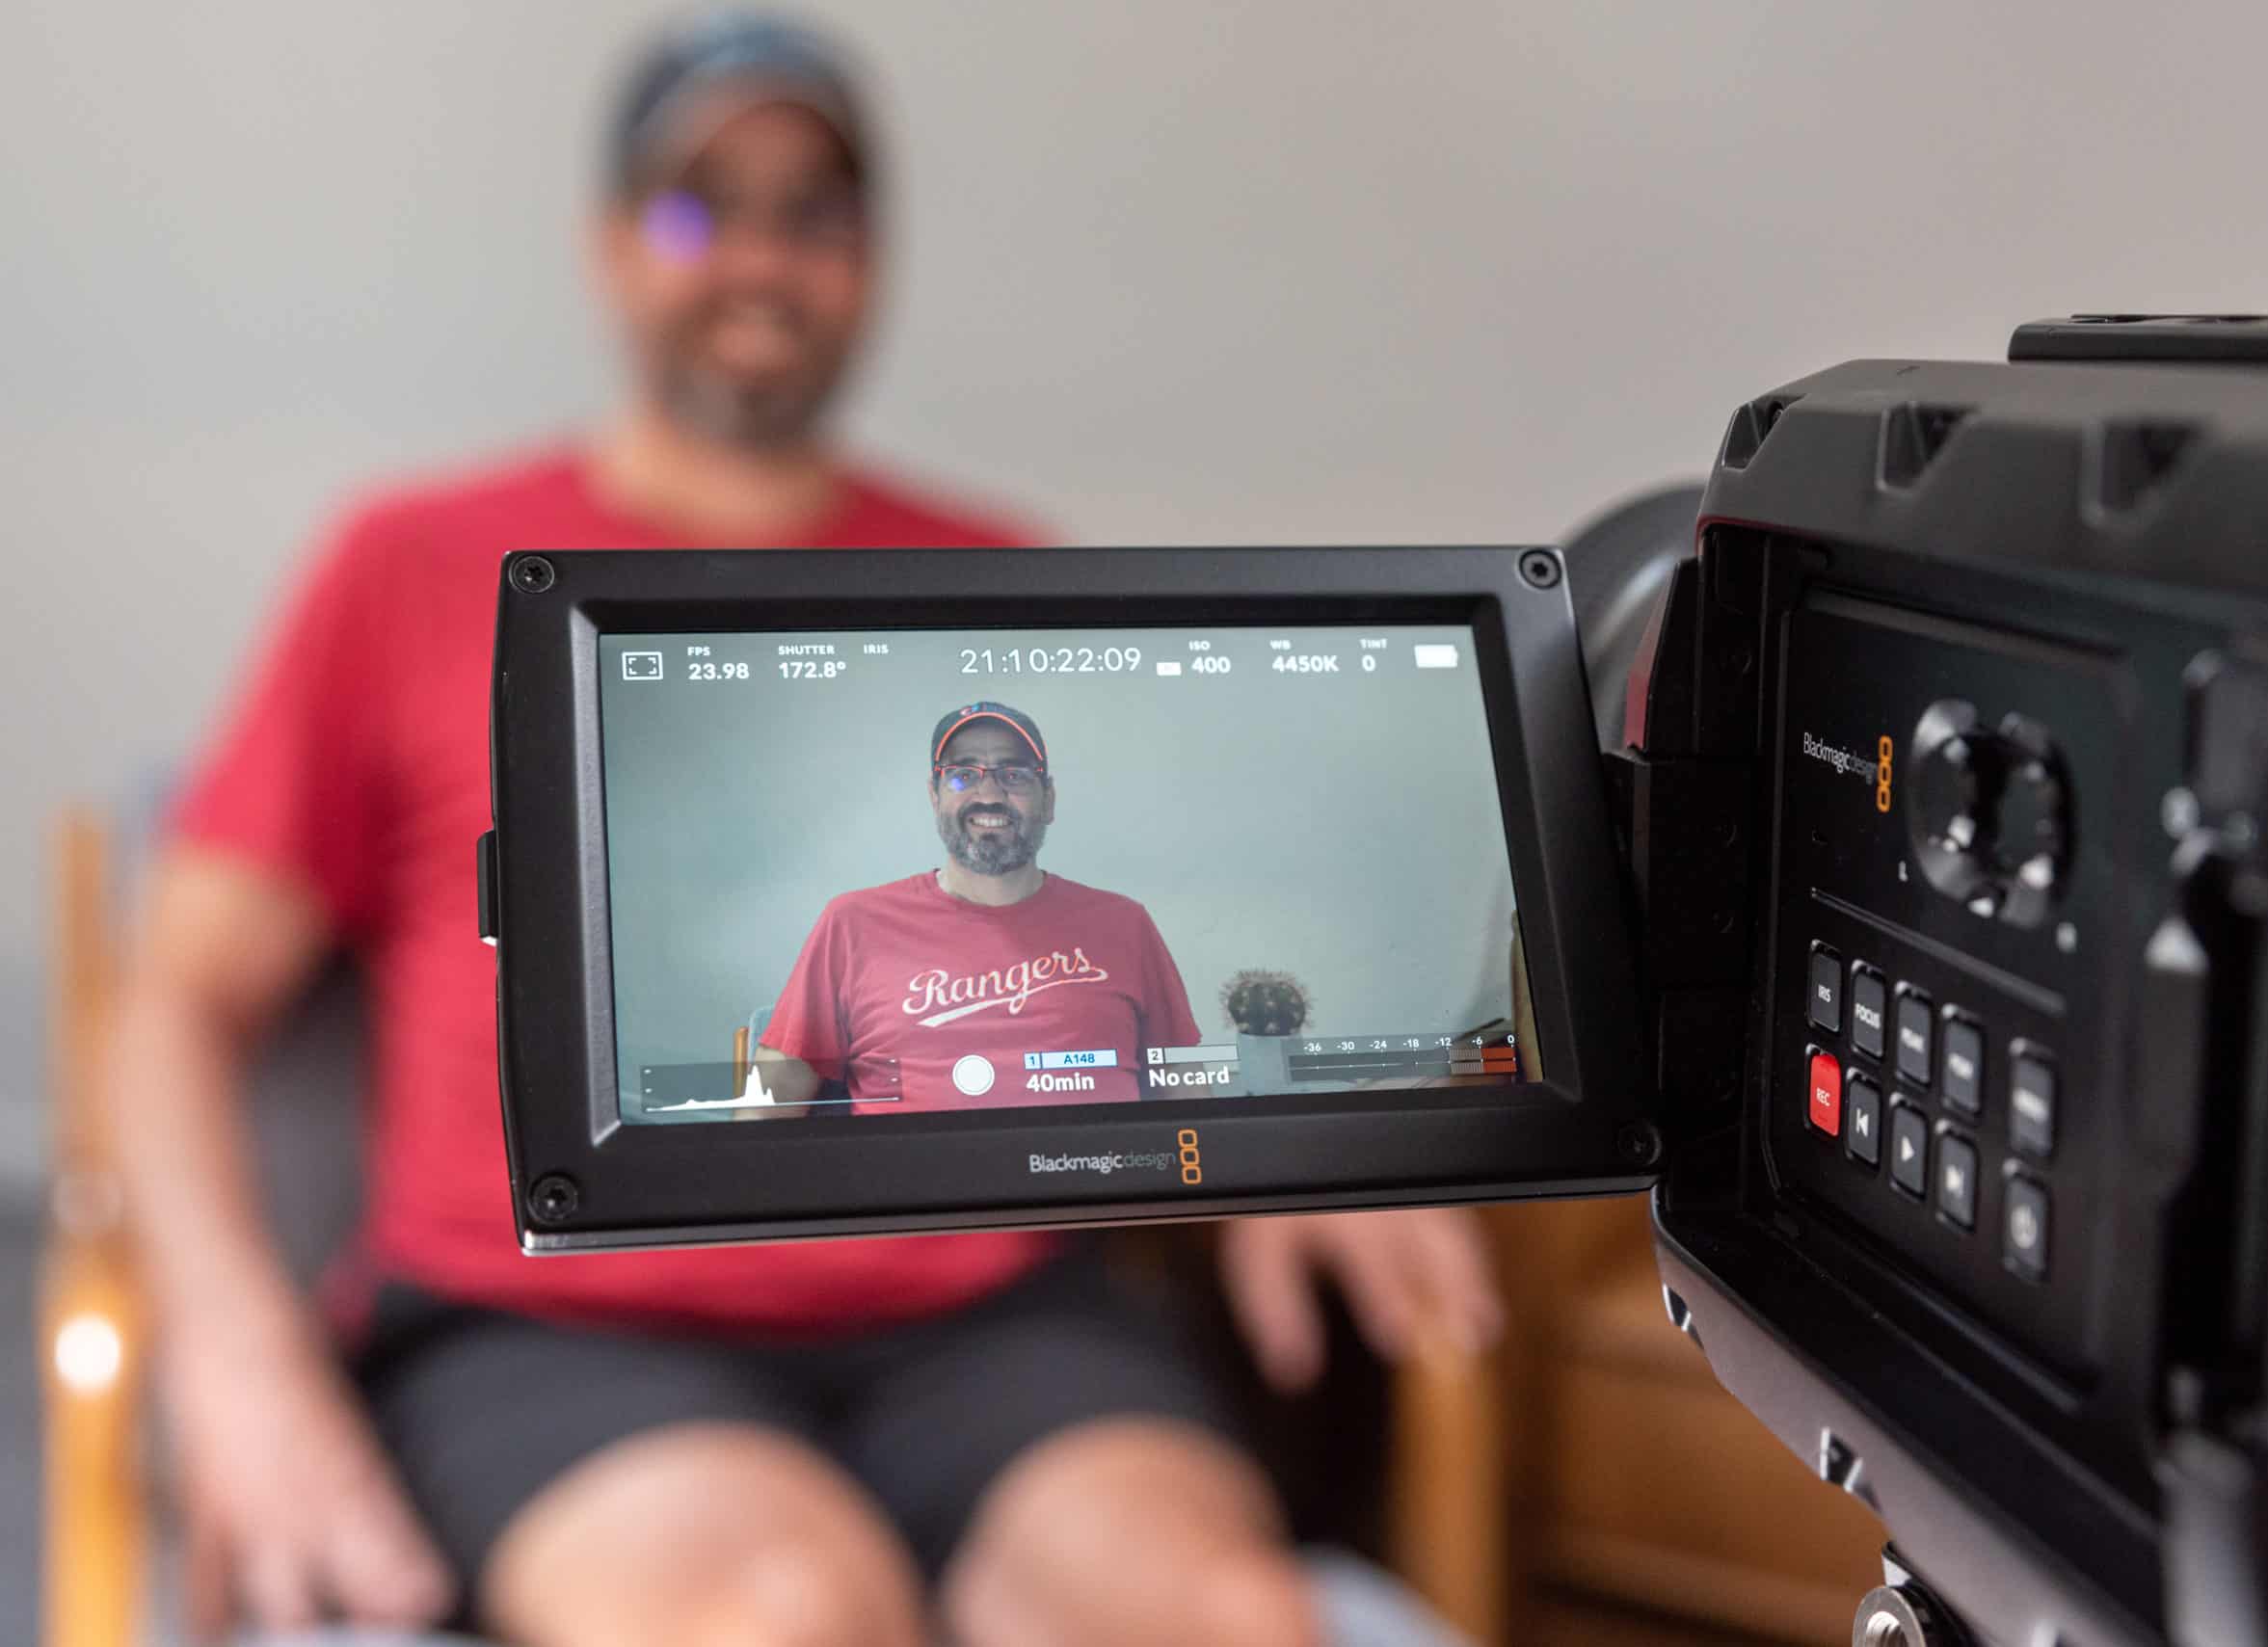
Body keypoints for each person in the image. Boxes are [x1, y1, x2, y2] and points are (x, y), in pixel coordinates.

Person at [105, 13, 1503, 1646]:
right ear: (612, 245)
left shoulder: (999, 581)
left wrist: (1303, 1129)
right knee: (782, 1610)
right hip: (552, 1329)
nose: (760, 255)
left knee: (1231, 1610)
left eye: (815, 210)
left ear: (870, 256)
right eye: (702, 203)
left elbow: (1145, 943)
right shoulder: (406, 566)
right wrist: (232, 1348)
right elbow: (171, 997)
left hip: (989, 1317)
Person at [756, 701, 1201, 1113]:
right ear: (935, 797)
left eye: (1014, 775)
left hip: (1093, 1184)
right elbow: (772, 1095)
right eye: (962, 775)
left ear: (1049, 799)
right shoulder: (851, 924)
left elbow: (1184, 1080)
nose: (988, 793)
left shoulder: (1124, 924)